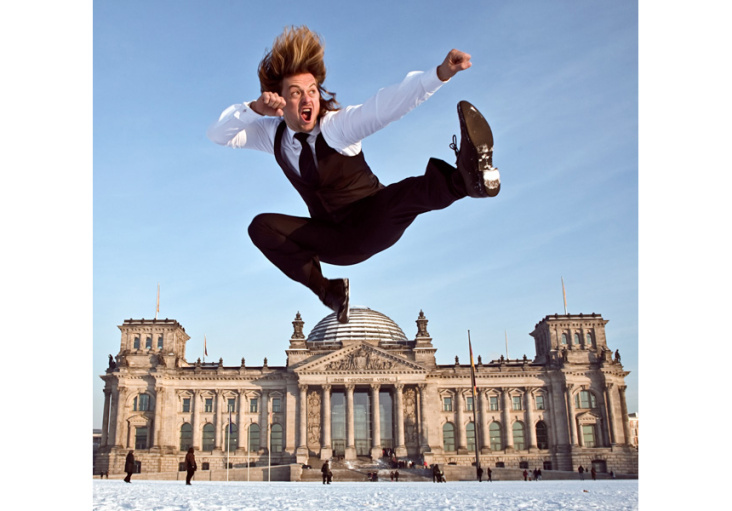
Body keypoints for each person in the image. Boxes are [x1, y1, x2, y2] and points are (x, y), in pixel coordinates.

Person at [208, 26, 500, 323]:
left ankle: (468, 180)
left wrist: (439, 74)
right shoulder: (273, 135)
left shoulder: (337, 127)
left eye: (312, 91)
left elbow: (386, 106)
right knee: (260, 227)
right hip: (333, 241)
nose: (307, 100)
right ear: (281, 100)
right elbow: (219, 134)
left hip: (372, 222)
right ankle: (328, 292)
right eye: (296, 93)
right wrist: (255, 109)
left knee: (403, 194)